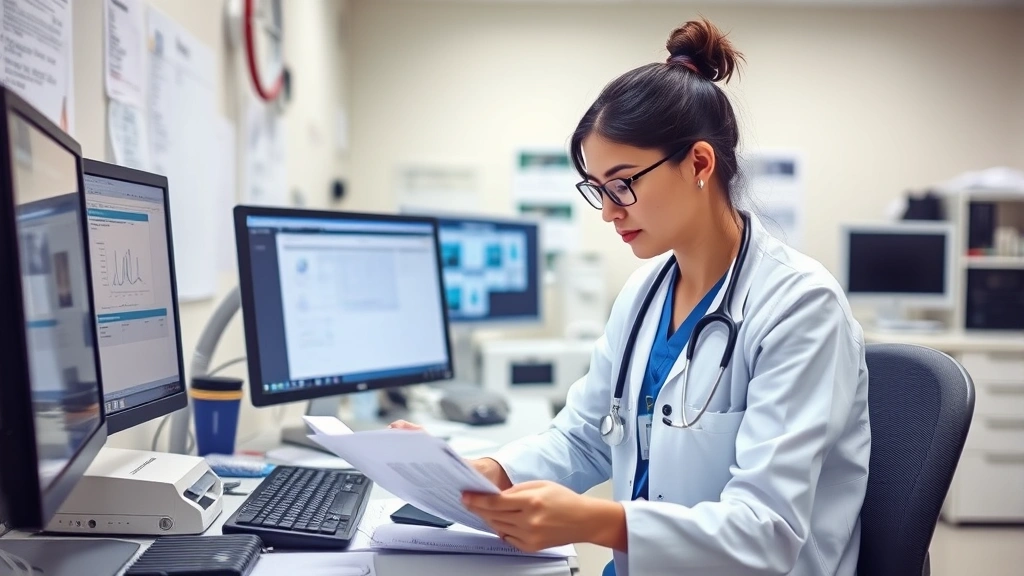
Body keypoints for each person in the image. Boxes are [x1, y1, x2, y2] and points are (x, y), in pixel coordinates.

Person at [392, 16, 870, 576]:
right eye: (598, 189)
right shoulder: (643, 294)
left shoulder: (799, 308)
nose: (609, 210)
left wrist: (597, 522)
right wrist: (483, 472)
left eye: (623, 184)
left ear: (698, 163)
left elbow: (767, 532)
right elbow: (585, 436)